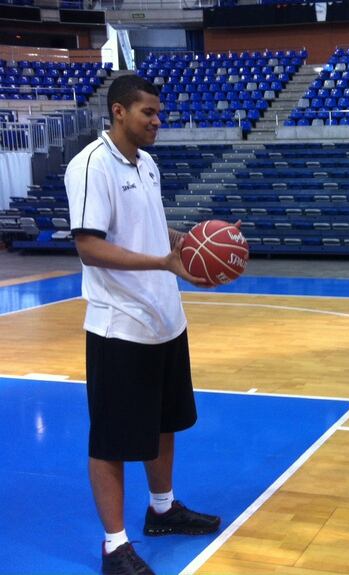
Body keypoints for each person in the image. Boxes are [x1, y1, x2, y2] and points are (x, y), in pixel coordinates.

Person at [64, 75, 220, 575]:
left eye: (158, 112)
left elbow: (151, 228)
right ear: (117, 112)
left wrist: (196, 244)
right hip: (120, 328)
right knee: (111, 440)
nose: (157, 121)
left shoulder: (147, 164)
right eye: (147, 113)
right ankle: (114, 546)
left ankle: (163, 508)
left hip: (164, 321)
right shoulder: (90, 165)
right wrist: (162, 263)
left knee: (164, 422)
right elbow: (88, 245)